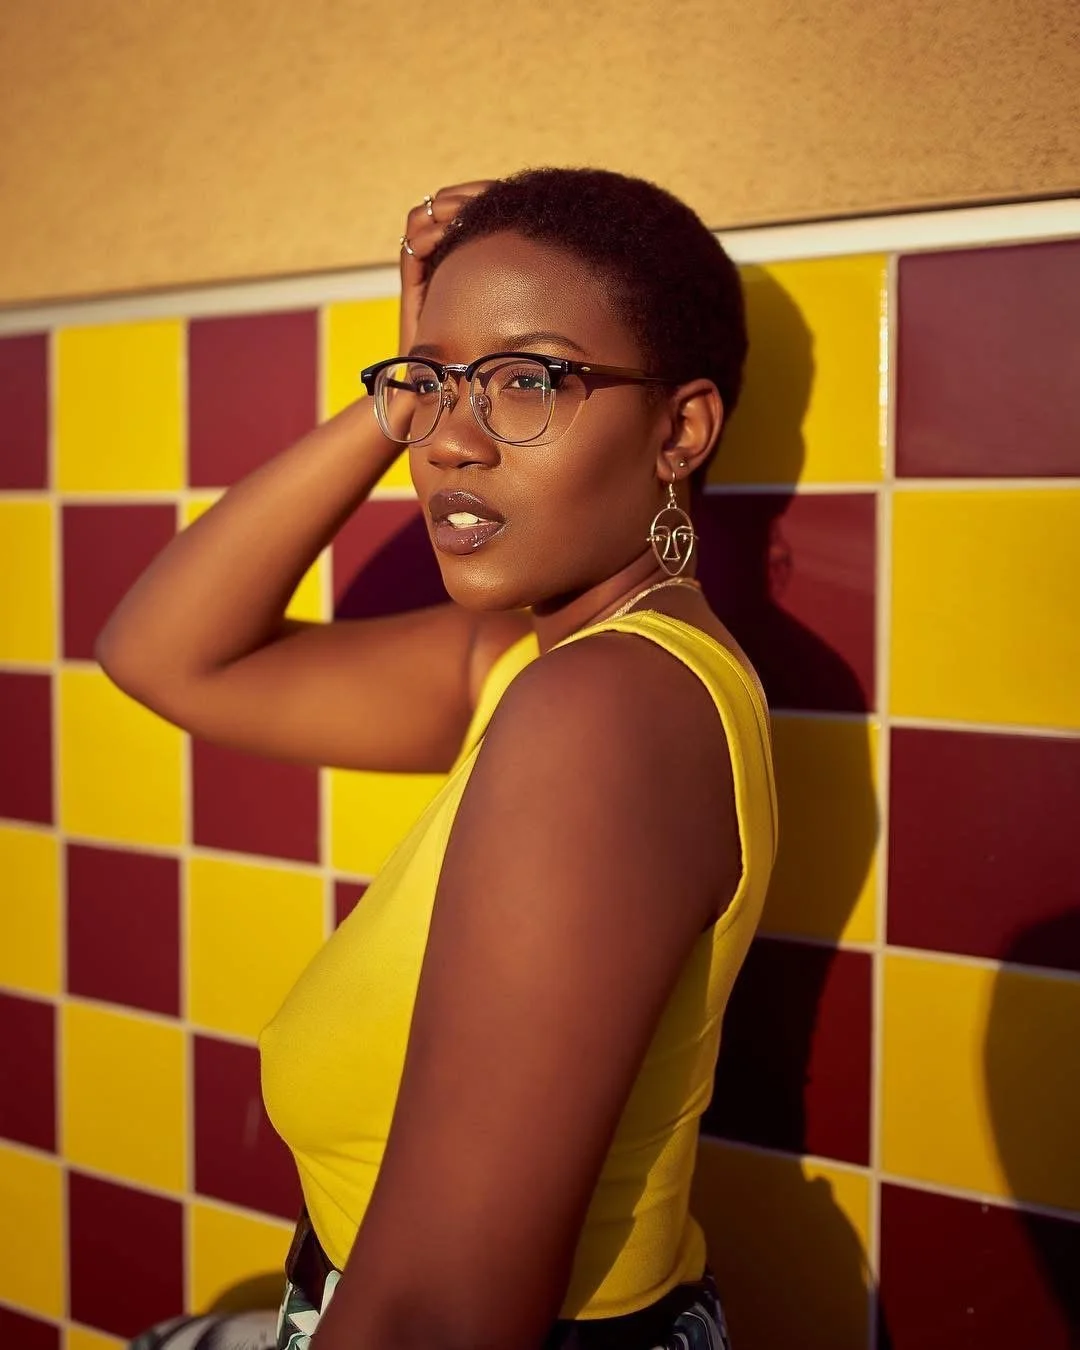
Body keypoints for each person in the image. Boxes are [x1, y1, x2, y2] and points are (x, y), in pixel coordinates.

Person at [99, 168, 778, 1350]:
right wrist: (403, 385)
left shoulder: (604, 706)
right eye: (433, 386)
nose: (450, 445)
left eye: (529, 380)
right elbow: (165, 655)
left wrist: (435, 374)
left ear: (681, 428)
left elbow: (441, 1318)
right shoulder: (531, 663)